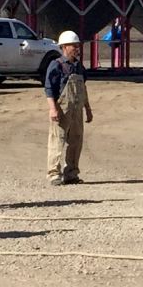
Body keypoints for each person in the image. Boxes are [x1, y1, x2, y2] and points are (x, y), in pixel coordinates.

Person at [45, 31, 92, 185]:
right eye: (74, 45)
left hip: (77, 109)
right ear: (64, 47)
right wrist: (53, 109)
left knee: (76, 141)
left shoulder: (79, 67)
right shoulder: (56, 65)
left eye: (77, 46)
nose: (77, 48)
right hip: (62, 109)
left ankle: (71, 173)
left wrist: (88, 108)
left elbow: (83, 88)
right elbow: (49, 89)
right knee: (57, 140)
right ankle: (54, 174)